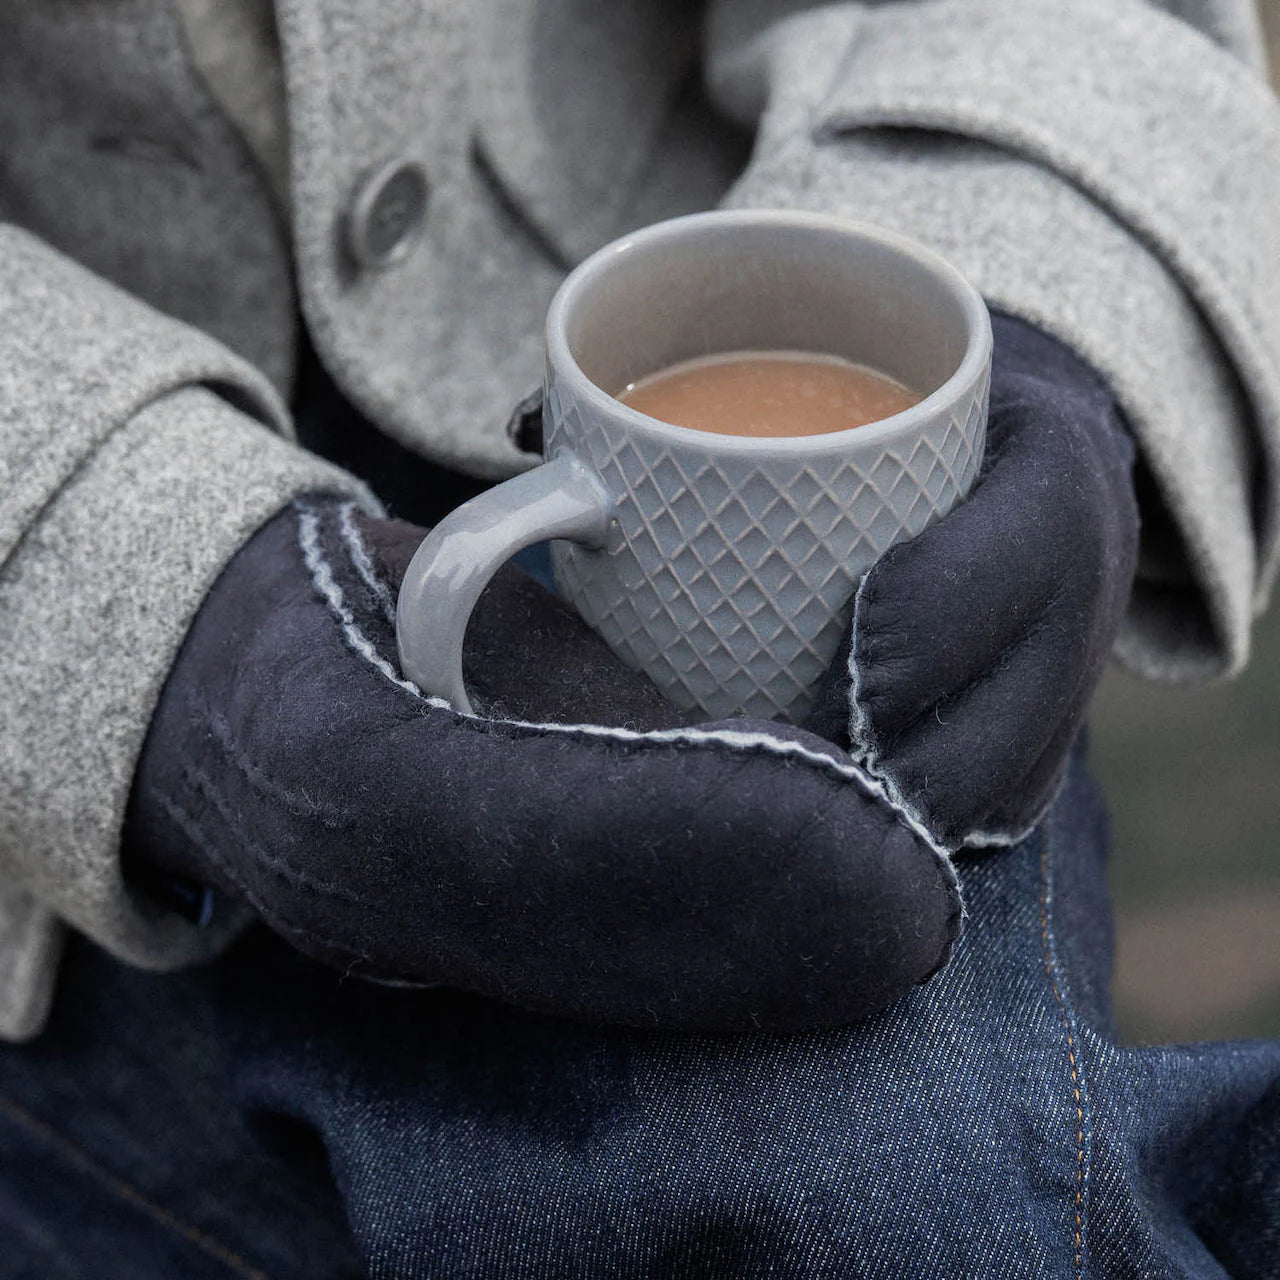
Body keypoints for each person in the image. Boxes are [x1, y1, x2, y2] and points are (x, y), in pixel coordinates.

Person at [1, 0, 1277, 1274]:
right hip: (79, 668)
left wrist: (1033, 264)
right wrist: (113, 578)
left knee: (917, 1178)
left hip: (821, 221)